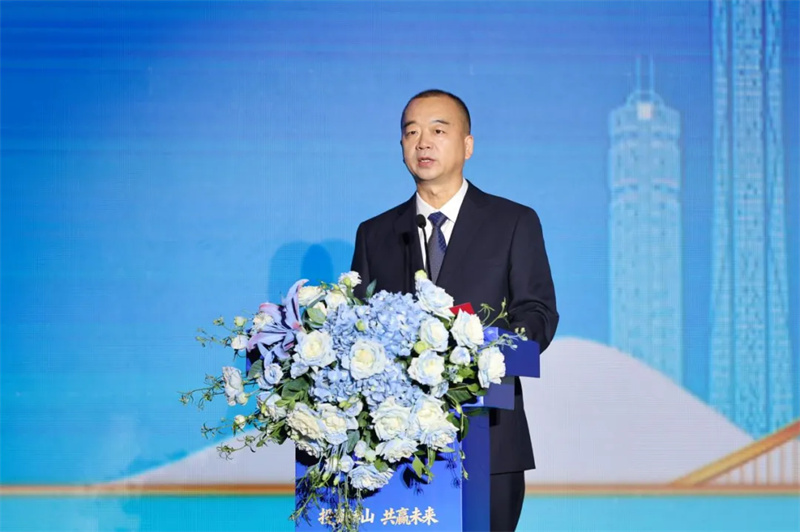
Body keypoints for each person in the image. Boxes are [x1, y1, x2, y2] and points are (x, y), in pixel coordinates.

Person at [350, 89, 559, 531]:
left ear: (467, 145)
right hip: (397, 445)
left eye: (438, 131)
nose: (423, 142)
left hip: (489, 436)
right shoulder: (375, 233)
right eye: (411, 132)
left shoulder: (513, 221)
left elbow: (538, 314)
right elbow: (358, 327)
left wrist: (482, 354)